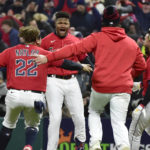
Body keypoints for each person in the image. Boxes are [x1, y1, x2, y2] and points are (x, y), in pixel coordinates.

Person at [34, 5, 147, 150]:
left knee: (94, 112)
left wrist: (49, 57)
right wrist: (128, 75)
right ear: (119, 21)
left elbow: (73, 49)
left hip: (100, 85)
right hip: (122, 87)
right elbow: (142, 66)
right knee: (118, 121)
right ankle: (123, 144)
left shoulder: (96, 38)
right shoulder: (132, 43)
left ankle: (94, 144)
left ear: (103, 20)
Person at [0, 25, 92, 150]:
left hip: (14, 94)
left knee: (8, 125)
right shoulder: (44, 54)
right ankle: (28, 145)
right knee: (32, 125)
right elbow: (65, 63)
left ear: (22, 37)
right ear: (37, 39)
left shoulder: (10, 51)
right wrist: (81, 66)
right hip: (35, 96)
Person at [40, 11, 93, 150]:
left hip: (72, 80)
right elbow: (40, 64)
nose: (62, 25)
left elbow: (86, 61)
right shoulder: (46, 41)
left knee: (80, 117)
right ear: (55, 24)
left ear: (69, 25)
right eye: (60, 22)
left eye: (65, 23)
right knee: (55, 118)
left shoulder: (76, 41)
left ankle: (80, 144)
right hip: (53, 81)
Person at [129, 28, 150, 150]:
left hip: (148, 103)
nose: (144, 41)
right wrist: (141, 85)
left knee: (135, 133)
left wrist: (142, 105)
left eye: (146, 38)